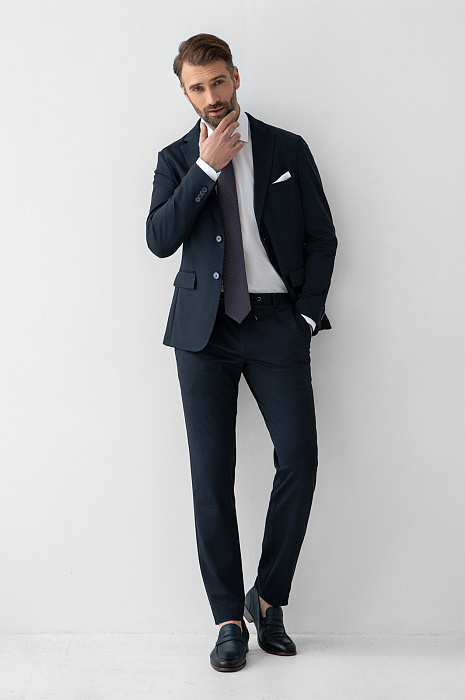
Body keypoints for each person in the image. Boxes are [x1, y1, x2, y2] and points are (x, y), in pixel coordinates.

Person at [146, 33, 337, 672]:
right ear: (185, 92)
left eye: (218, 82)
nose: (211, 96)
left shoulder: (286, 148)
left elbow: (322, 236)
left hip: (278, 325)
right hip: (203, 335)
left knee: (300, 459)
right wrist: (206, 169)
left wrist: (305, 314)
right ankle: (228, 617)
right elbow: (159, 238)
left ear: (235, 76)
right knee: (212, 477)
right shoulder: (176, 159)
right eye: (197, 88)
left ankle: (269, 598)